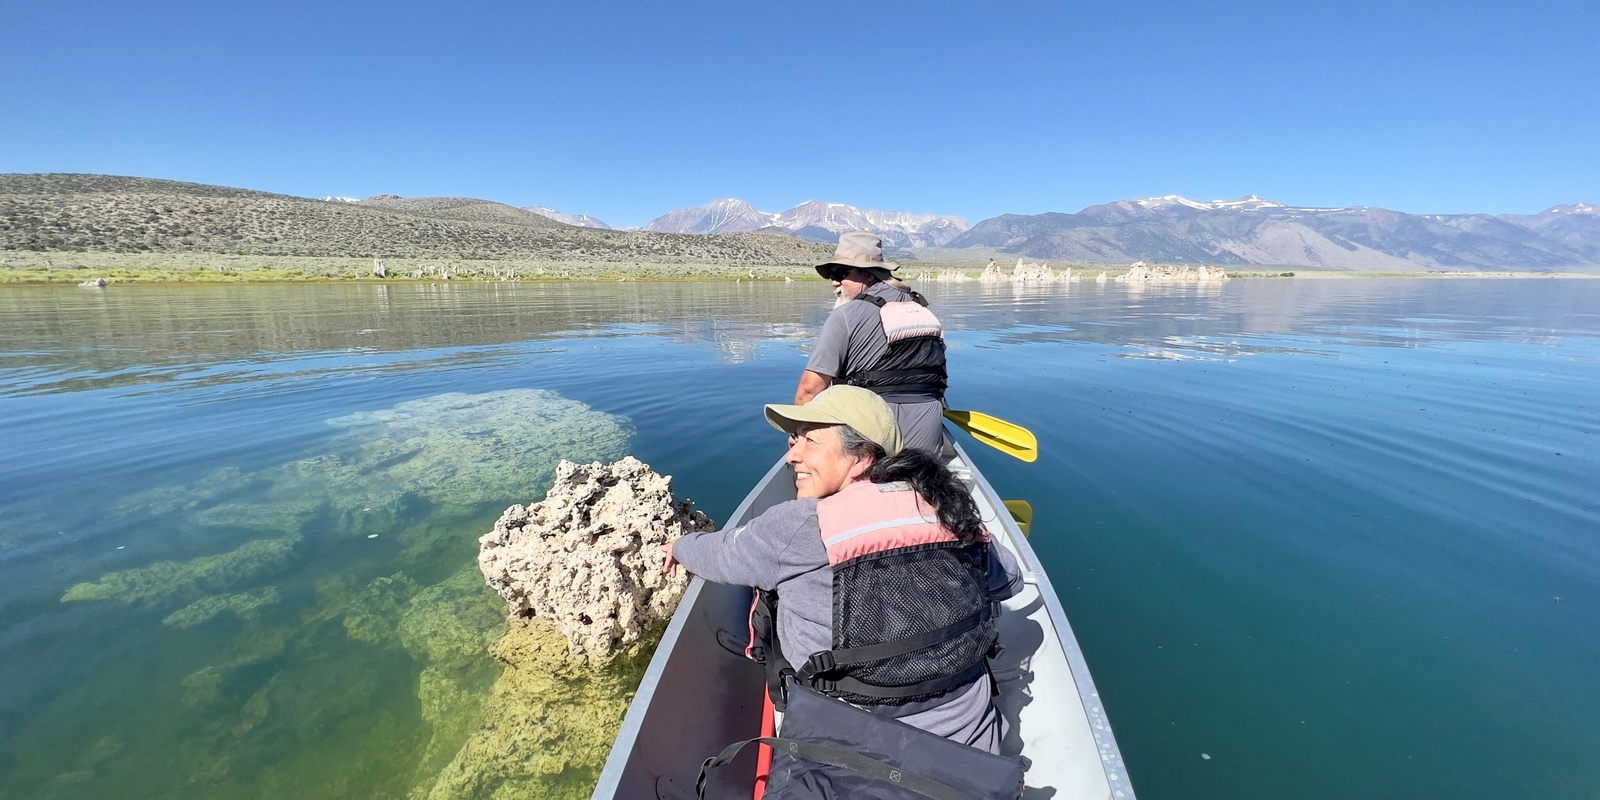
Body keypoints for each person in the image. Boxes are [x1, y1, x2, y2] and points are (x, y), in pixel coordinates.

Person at [660, 385, 1022, 754]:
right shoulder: (946, 509)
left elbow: (720, 555)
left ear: (862, 457)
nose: (792, 456)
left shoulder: (802, 524)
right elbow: (1010, 580)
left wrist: (677, 546)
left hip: (850, 749)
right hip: (972, 751)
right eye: (793, 441)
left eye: (810, 442)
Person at [794, 231, 949, 454]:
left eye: (840, 273)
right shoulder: (921, 307)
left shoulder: (845, 315)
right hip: (927, 444)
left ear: (868, 275)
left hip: (872, 445)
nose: (834, 282)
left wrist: (799, 438)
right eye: (831, 275)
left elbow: (808, 391)